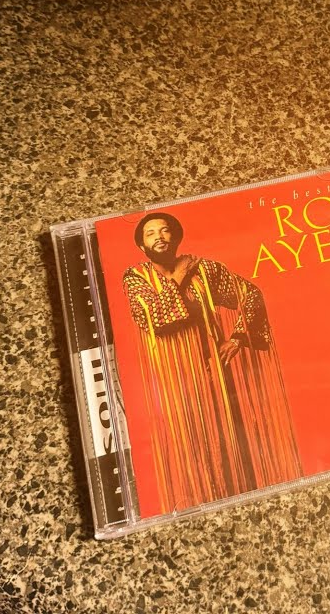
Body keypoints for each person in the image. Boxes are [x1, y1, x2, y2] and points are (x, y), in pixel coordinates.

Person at [121, 212, 301, 512]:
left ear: (176, 237)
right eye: (150, 234)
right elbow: (153, 318)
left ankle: (248, 503)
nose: (159, 237)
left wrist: (238, 338)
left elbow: (250, 295)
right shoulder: (136, 277)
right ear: (142, 246)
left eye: (165, 231)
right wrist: (180, 274)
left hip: (214, 372)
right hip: (175, 379)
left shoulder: (205, 270)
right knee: (192, 447)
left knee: (231, 438)